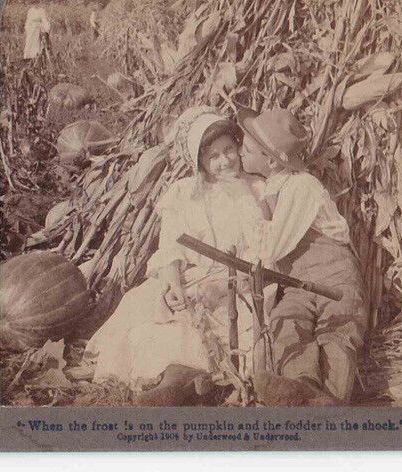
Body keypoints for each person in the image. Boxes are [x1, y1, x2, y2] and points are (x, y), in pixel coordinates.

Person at [84, 106, 267, 402]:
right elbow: (169, 248)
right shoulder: (183, 193)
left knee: (232, 323)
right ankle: (171, 380)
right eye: (214, 157)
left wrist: (223, 287)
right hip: (191, 278)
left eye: (229, 150)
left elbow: (264, 251)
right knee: (154, 311)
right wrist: (174, 284)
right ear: (199, 162)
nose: (225, 161)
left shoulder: (255, 189)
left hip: (239, 281)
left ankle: (197, 381)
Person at [236, 106, 368, 404]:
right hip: (298, 285)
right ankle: (302, 387)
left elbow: (270, 247)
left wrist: (247, 208)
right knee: (286, 322)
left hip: (335, 281)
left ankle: (331, 399)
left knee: (336, 331)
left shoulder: (300, 187)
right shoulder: (272, 188)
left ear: (270, 160)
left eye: (246, 149)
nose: (241, 154)